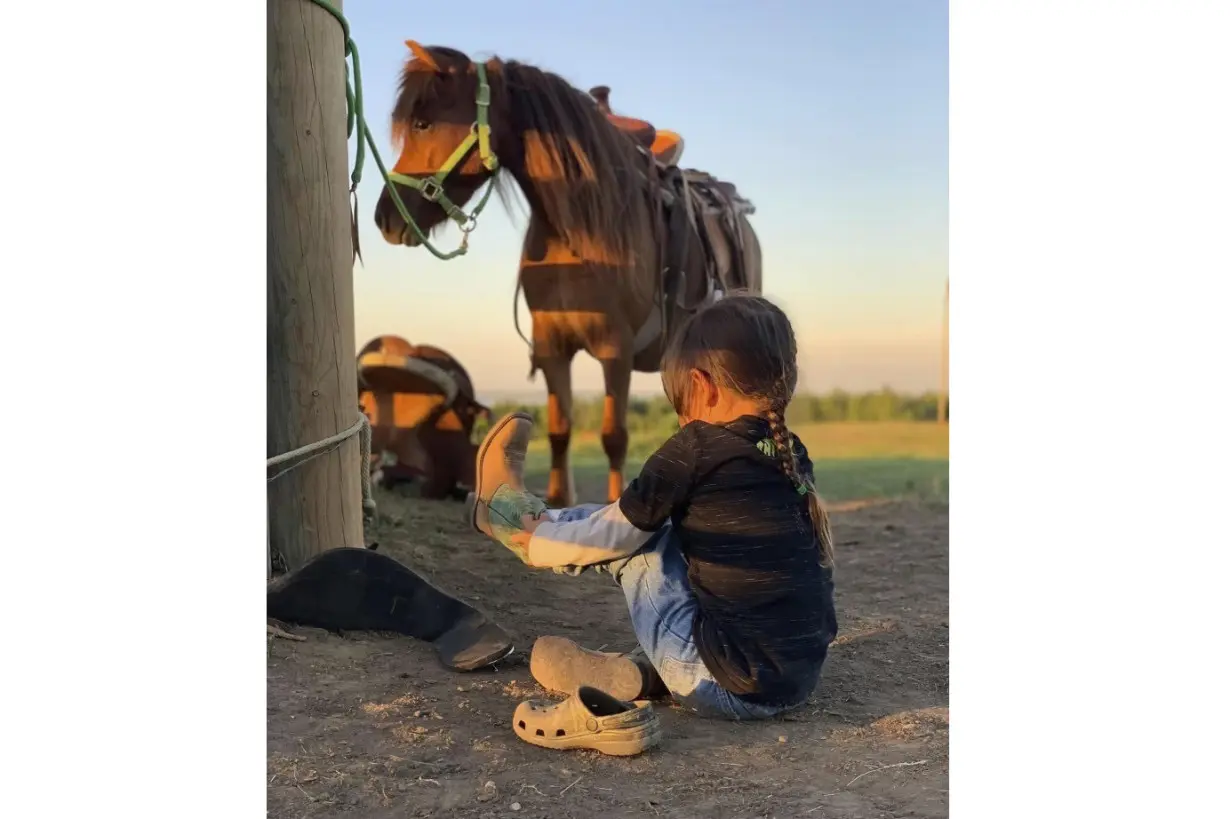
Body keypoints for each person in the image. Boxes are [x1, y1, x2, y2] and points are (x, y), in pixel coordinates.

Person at [467, 293, 838, 720]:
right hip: (796, 684)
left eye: (679, 400)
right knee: (672, 533)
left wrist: (542, 546)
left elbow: (617, 533)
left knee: (643, 542)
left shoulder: (697, 447)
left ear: (701, 385)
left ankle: (512, 518)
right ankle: (640, 674)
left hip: (716, 683)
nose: (680, 415)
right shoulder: (789, 452)